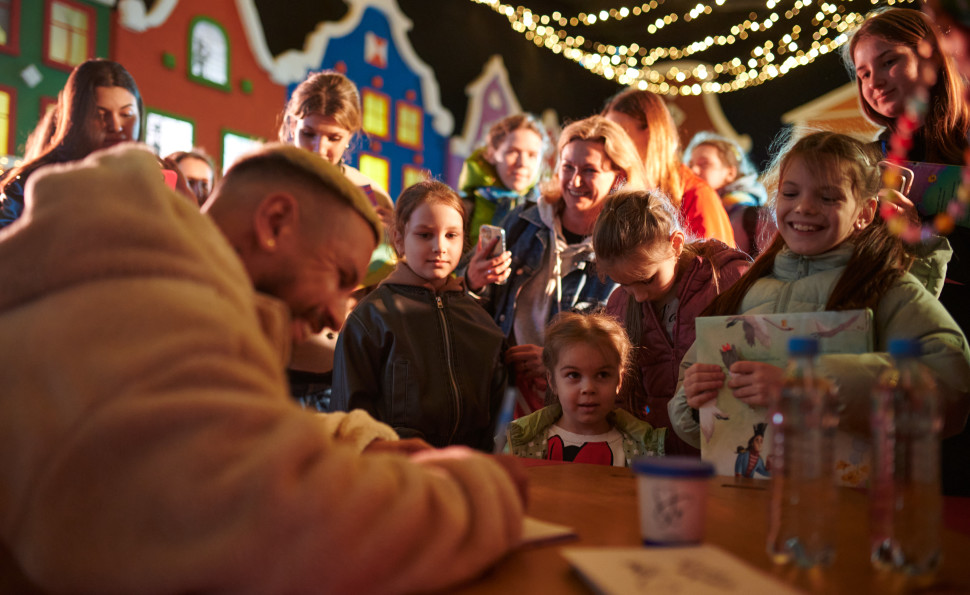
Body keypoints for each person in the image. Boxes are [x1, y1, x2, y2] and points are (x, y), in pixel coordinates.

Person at [0, 143, 527, 592]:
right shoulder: (153, 319)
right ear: (274, 222)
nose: (334, 312)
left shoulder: (142, 287)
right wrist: (485, 492)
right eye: (339, 274)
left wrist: (358, 439)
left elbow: (210, 427)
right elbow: (286, 530)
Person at [667, 131, 970, 450]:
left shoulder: (885, 287)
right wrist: (694, 402)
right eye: (791, 193)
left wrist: (805, 388)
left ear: (865, 213)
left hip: (851, 496)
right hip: (751, 495)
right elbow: (691, 395)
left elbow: (948, 381)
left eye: (828, 198)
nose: (804, 207)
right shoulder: (747, 291)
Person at [847, 6, 970, 496]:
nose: (875, 80)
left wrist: (927, 237)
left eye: (888, 61)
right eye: (862, 73)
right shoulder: (868, 160)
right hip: (899, 337)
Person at [466, 115, 648, 414]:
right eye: (568, 167)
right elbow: (482, 310)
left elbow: (629, 342)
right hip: (508, 395)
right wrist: (472, 283)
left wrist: (558, 359)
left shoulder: (625, 246)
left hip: (581, 408)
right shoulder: (523, 222)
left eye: (589, 170)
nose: (575, 181)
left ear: (618, 177)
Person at [330, 180, 507, 451]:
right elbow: (349, 422)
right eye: (425, 235)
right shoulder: (370, 320)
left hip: (467, 474)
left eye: (451, 235)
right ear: (399, 239)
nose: (440, 247)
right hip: (396, 477)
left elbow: (497, 417)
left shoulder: (480, 320)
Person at [592, 189, 750, 456]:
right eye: (624, 284)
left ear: (675, 243)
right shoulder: (619, 303)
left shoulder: (728, 280)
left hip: (727, 452)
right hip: (657, 460)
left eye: (646, 279)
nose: (639, 296)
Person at [507, 311, 665, 466]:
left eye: (602, 375)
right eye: (573, 375)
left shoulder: (642, 449)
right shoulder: (523, 444)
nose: (588, 388)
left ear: (619, 380)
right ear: (552, 381)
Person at [0, 59, 142, 228]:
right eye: (100, 114)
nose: (116, 126)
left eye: (127, 114)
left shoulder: (147, 183)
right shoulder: (28, 184)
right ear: (76, 117)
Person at [602, 89, 735, 246]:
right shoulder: (610, 183)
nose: (609, 142)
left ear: (651, 133)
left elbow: (717, 265)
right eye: (606, 134)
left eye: (620, 132)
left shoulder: (696, 194)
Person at [459, 113, 548, 247]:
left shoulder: (549, 212)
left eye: (532, 155)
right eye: (512, 152)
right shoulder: (462, 209)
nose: (522, 162)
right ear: (492, 154)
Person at [684, 131, 769, 256]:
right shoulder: (695, 210)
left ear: (730, 173)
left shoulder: (755, 216)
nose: (693, 170)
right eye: (690, 165)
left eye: (704, 164)